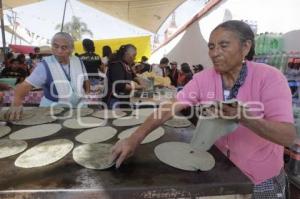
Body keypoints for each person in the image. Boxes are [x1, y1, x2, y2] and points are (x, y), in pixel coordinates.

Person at [111, 20, 296, 198]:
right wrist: (135, 138)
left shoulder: (269, 78)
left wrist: (245, 117)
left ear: (245, 47)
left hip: (261, 181)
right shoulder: (203, 79)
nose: (215, 53)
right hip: (218, 171)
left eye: (223, 46)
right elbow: (168, 108)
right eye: (211, 47)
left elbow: (287, 136)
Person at [6, 32, 90, 120]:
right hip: (54, 109)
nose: (59, 51)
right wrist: (17, 101)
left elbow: (86, 80)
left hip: (79, 108)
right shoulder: (45, 66)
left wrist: (87, 94)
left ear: (71, 49)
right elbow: (25, 85)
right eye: (56, 46)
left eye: (64, 47)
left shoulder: (78, 61)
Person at [103, 44, 144, 109]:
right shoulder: (116, 64)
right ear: (127, 54)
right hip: (114, 100)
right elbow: (120, 85)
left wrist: (141, 83)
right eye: (133, 55)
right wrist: (138, 87)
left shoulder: (126, 64)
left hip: (124, 98)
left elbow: (134, 76)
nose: (134, 58)